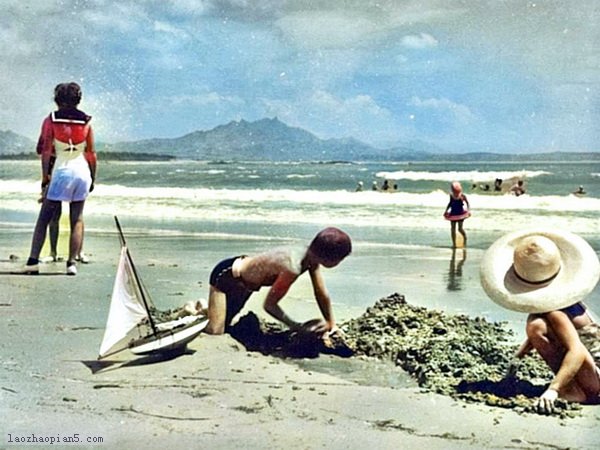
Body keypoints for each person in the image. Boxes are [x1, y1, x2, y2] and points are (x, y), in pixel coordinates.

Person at [480, 229, 600, 414]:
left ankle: (574, 390)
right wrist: (518, 357)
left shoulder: (555, 312)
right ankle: (573, 386)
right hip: (594, 373)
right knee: (538, 326)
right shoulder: (568, 301)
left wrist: (553, 390)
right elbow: (558, 333)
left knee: (536, 326)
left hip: (596, 383)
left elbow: (576, 350)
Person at [204, 227, 352, 336]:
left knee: (226, 322)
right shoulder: (293, 266)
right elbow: (269, 305)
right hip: (228, 276)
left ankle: (208, 308)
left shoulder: (311, 257)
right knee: (216, 331)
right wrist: (297, 326)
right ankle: (195, 307)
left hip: (246, 285)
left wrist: (331, 323)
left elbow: (320, 293)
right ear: (328, 258)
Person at [23, 82, 96, 275]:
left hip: (62, 169)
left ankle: (33, 261)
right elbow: (91, 154)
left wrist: (45, 178)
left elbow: (46, 150)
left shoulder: (51, 119)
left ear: (57, 99)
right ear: (78, 99)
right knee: (77, 219)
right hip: (81, 170)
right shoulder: (87, 121)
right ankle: (71, 263)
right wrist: (93, 179)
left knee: (44, 218)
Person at [443, 181, 470, 248]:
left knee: (460, 229)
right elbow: (450, 204)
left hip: (460, 214)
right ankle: (454, 244)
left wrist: (468, 210)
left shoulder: (462, 196)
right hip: (453, 214)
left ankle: (465, 238)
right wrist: (446, 210)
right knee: (453, 229)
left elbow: (467, 203)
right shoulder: (451, 196)